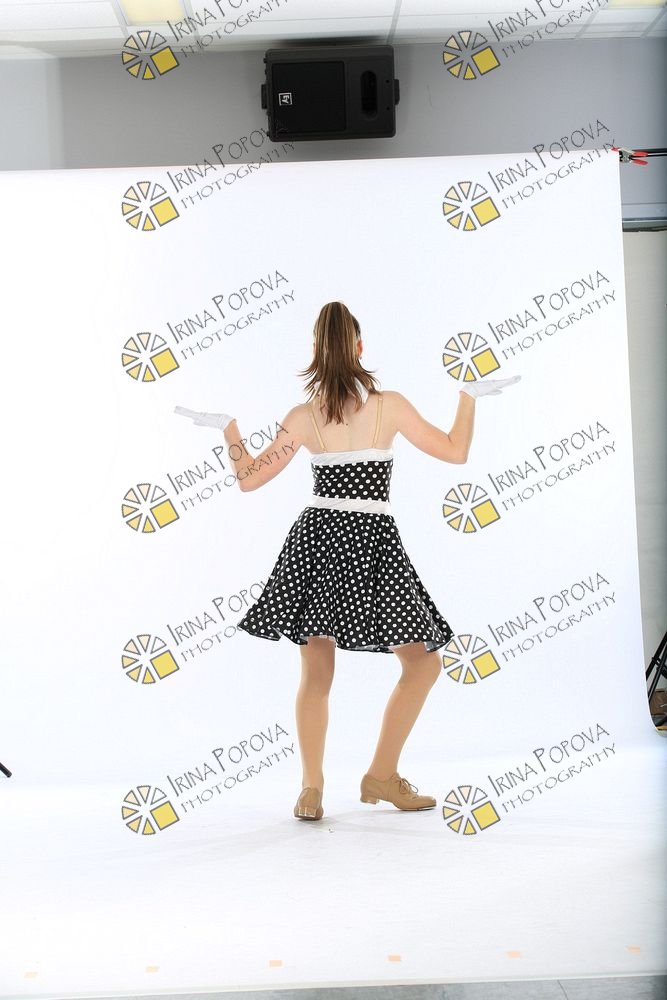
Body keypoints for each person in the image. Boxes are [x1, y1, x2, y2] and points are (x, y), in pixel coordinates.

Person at [175, 301, 519, 822]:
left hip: (318, 541)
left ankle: (314, 788)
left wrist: (230, 429)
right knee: (423, 663)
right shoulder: (389, 406)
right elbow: (455, 451)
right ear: (359, 347)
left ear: (316, 350)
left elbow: (248, 478)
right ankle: (378, 774)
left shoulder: (304, 418)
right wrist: (467, 396)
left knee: (317, 672)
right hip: (372, 542)